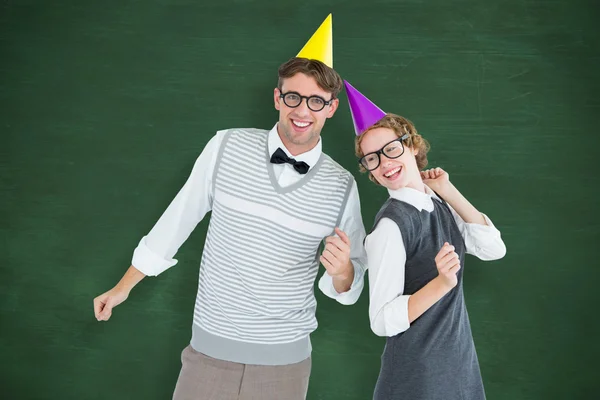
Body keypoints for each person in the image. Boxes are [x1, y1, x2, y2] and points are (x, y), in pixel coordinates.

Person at [93, 16, 367, 400]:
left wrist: (343, 271)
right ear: (277, 98)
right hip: (209, 350)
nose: (302, 110)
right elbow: (177, 221)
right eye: (293, 97)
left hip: (285, 363)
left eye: (316, 101)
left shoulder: (342, 186)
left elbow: (350, 284)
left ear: (331, 108)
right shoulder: (226, 146)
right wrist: (123, 288)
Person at [344, 80, 506, 400]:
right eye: (373, 159)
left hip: (456, 366)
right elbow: (381, 320)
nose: (385, 163)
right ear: (370, 172)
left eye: (391, 149)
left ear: (413, 146)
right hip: (417, 379)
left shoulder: (437, 202)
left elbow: (492, 248)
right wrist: (441, 285)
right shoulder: (391, 226)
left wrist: (448, 191)